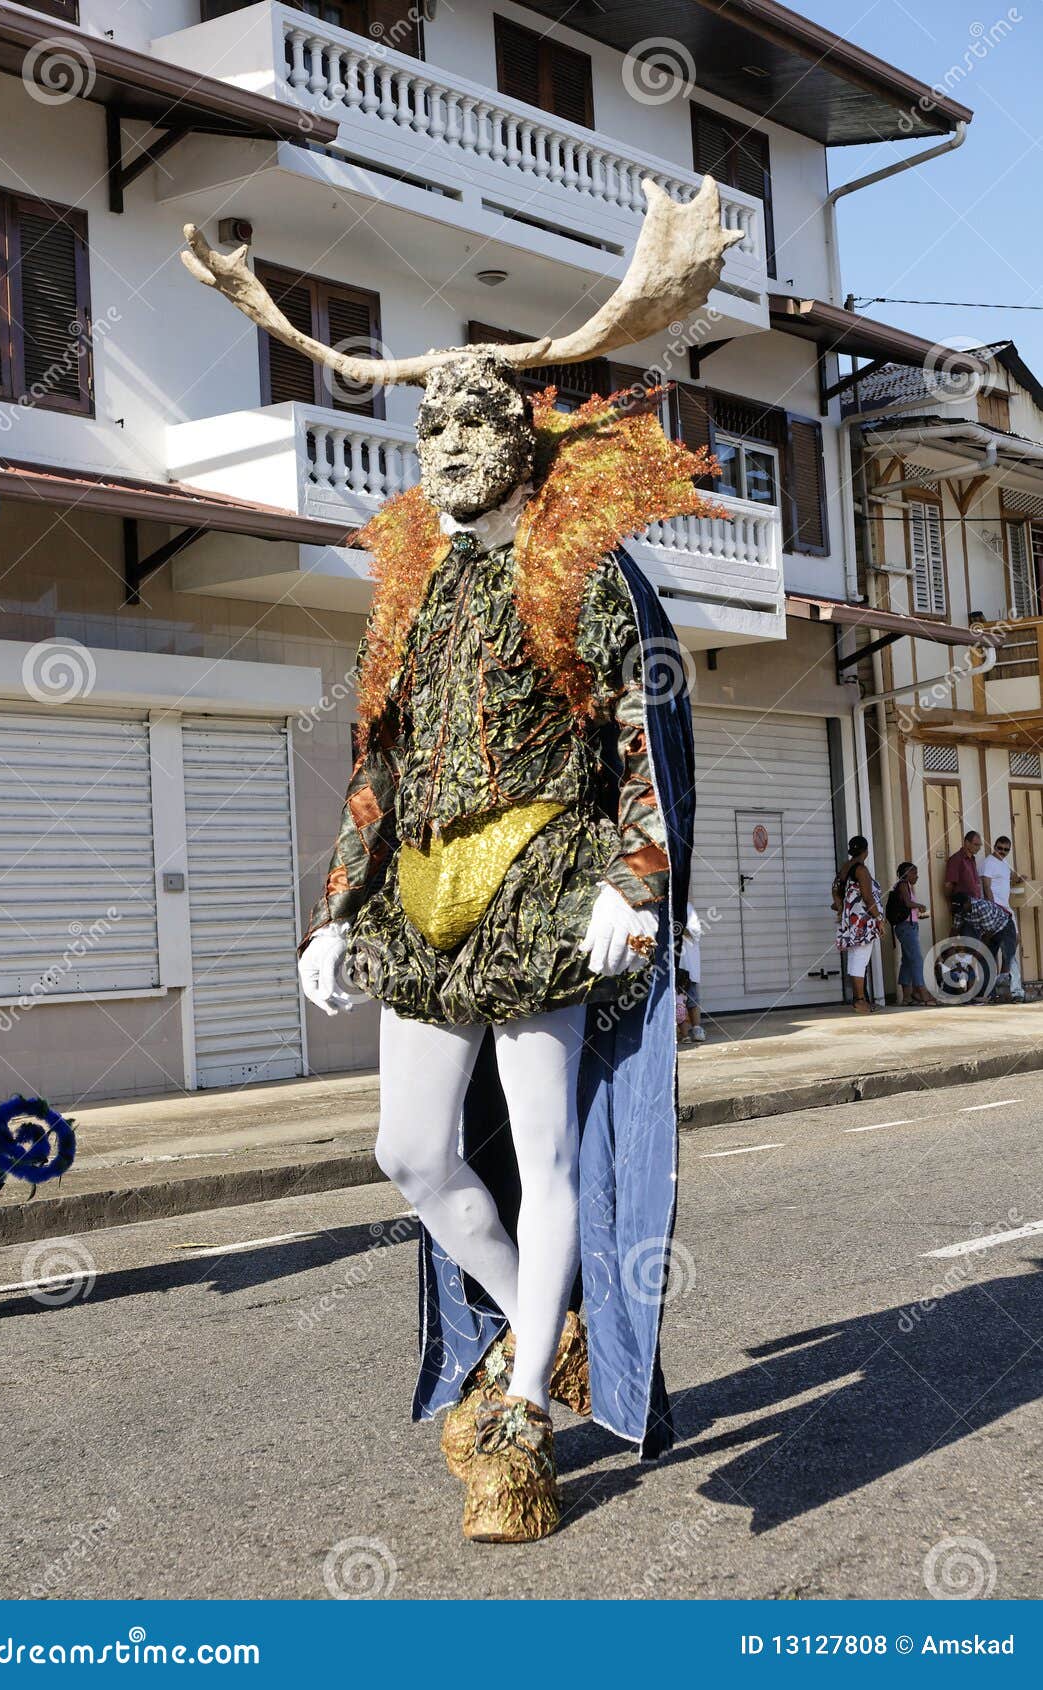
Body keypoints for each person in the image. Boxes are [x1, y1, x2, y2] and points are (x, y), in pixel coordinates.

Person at [183, 184, 742, 1543]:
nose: (441, 445)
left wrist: (632, 880)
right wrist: (335, 910)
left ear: (520, 445)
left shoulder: (583, 576)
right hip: (426, 907)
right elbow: (378, 763)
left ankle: (523, 1413)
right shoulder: (415, 594)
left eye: (468, 425)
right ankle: (527, 1325)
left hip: (545, 886)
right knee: (408, 1152)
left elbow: (634, 741)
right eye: (429, 426)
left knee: (544, 1157)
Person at [835, 836, 886, 1013]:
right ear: (866, 851)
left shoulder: (845, 868)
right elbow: (868, 896)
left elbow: (835, 888)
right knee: (860, 960)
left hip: (852, 919)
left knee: (855, 959)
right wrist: (879, 918)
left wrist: (841, 908)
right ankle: (860, 1001)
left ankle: (859, 999)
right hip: (863, 921)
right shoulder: (861, 870)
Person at [981, 835, 1026, 1002]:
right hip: (997, 911)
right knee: (1005, 947)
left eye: (1006, 850)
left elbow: (1010, 878)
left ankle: (1001, 983)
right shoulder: (988, 862)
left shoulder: (1004, 863)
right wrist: (993, 910)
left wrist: (1020, 879)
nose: (1002, 852)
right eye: (1000, 848)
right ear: (994, 846)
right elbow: (986, 886)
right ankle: (1012, 990)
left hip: (1006, 910)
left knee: (1010, 944)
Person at [886, 862, 936, 1006]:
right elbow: (908, 903)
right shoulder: (903, 884)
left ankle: (907, 996)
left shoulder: (905, 886)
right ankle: (922, 992)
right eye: (913, 872)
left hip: (909, 926)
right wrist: (920, 906)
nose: (917, 876)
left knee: (907, 961)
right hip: (906, 927)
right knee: (917, 959)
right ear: (905, 874)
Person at [676, 903, 704, 1044]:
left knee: (692, 998)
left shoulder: (687, 907)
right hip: (670, 965)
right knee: (676, 1001)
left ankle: (697, 1028)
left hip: (687, 963)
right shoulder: (661, 906)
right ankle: (684, 1033)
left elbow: (696, 931)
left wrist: (678, 928)